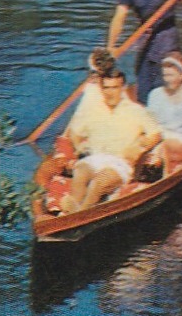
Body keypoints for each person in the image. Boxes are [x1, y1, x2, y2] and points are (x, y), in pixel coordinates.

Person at [61, 70, 161, 212]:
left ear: (123, 88)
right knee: (80, 171)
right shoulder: (92, 111)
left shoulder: (136, 110)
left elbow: (155, 134)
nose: (110, 92)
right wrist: (79, 146)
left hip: (119, 163)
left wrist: (141, 147)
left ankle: (79, 212)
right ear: (101, 89)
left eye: (115, 87)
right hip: (94, 158)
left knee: (98, 183)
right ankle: (73, 207)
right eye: (106, 88)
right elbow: (75, 133)